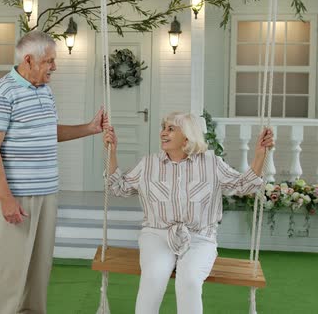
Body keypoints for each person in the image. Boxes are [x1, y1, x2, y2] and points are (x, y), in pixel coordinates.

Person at [0, 30, 107, 314]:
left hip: (47, 191)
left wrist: (89, 128)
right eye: (49, 61)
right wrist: (6, 199)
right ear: (29, 60)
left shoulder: (45, 90)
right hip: (19, 195)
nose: (55, 67)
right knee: (13, 269)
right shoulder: (2, 92)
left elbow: (48, 133)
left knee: (40, 268)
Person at [103, 112, 274, 314]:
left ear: (187, 136)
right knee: (153, 277)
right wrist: (111, 152)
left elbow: (244, 185)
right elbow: (118, 188)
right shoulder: (148, 164)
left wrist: (260, 155)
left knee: (190, 280)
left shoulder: (212, 163)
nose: (163, 133)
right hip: (157, 235)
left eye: (170, 129)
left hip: (200, 237)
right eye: (163, 128)